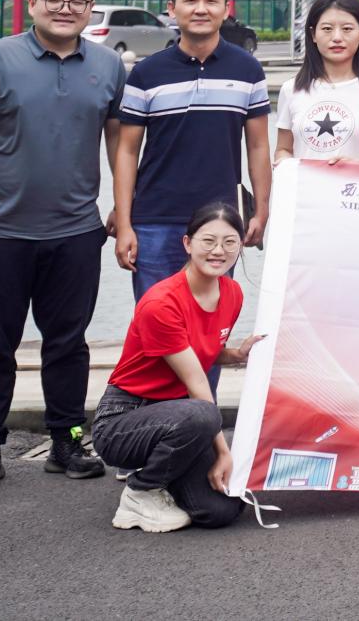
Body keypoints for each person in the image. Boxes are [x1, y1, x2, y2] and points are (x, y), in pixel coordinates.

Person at [0, 0, 123, 494]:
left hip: (77, 232)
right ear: (33, 2)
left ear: (90, 7)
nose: (65, 8)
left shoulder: (109, 65)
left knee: (68, 343)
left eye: (78, 1)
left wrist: (122, 208)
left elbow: (120, 141)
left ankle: (67, 440)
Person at [93, 203, 263, 532]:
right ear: (187, 243)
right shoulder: (161, 303)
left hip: (177, 415)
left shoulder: (232, 293)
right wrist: (223, 452)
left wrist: (235, 355)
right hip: (124, 419)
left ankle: (167, 479)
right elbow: (196, 382)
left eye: (230, 242)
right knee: (204, 415)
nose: (219, 251)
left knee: (221, 509)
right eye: (208, 241)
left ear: (240, 246)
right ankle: (140, 492)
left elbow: (201, 350)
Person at [113, 0, 272, 300]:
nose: (201, 9)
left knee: (210, 318)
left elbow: (258, 146)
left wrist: (261, 211)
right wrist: (125, 223)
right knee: (156, 318)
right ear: (172, 9)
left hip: (220, 220)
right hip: (154, 221)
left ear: (226, 9)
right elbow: (127, 152)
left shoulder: (247, 69)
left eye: (211, 1)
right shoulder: (146, 73)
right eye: (190, 0)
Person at [274, 0, 359, 162]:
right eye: (327, 29)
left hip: (358, 181)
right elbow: (283, 149)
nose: (337, 37)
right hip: (307, 181)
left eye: (347, 29)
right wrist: (285, 164)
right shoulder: (291, 89)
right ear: (313, 34)